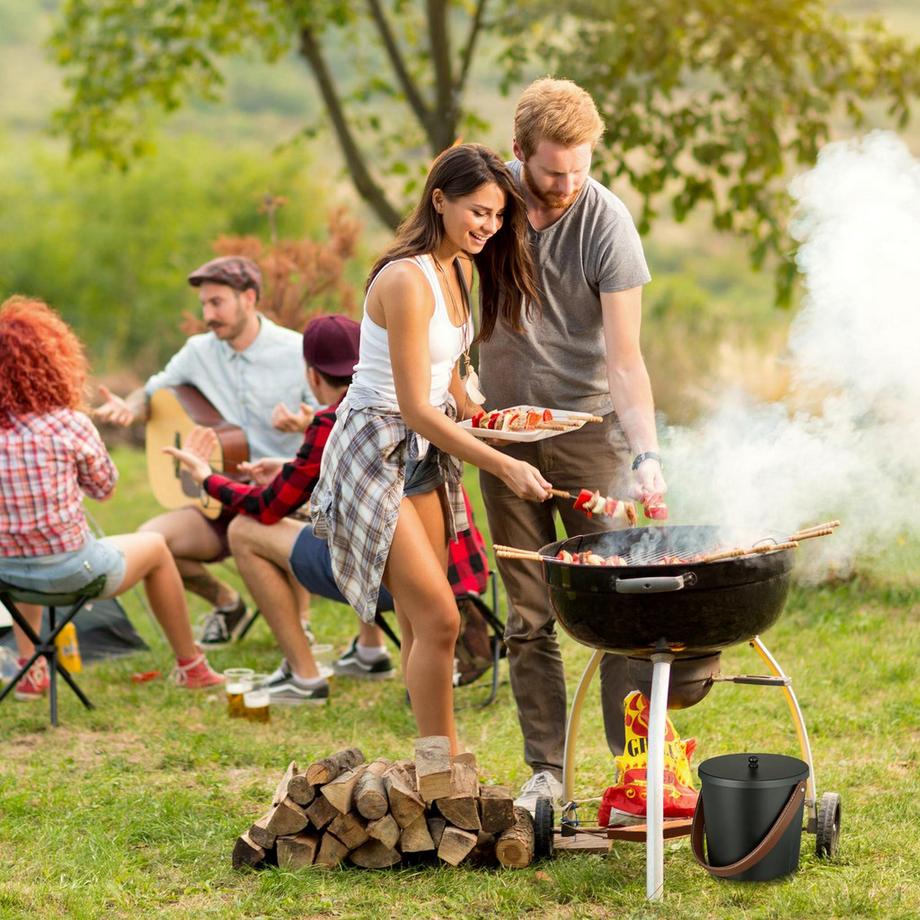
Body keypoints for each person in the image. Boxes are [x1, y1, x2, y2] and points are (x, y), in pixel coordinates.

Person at [309, 143, 550, 754]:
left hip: (423, 452)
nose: (489, 227)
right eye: (479, 212)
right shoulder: (405, 279)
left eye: (498, 216)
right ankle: (444, 766)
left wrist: (488, 419)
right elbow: (414, 404)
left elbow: (443, 376)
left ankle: (432, 760)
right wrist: (501, 462)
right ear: (439, 200)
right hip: (375, 450)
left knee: (426, 621)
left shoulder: (459, 269)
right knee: (442, 618)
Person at [478, 78, 668, 812]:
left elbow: (625, 358)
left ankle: (638, 770)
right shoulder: (486, 212)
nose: (566, 185)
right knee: (528, 617)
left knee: (618, 607)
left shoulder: (606, 221)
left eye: (579, 169)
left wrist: (646, 454)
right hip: (504, 439)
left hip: (593, 436)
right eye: (553, 171)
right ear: (518, 151)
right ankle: (547, 775)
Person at [0, 296, 223, 700]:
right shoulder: (69, 425)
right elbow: (105, 490)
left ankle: (31, 670)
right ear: (50, 362)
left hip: (6, 576)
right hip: (74, 573)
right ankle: (191, 666)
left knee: (21, 543)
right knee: (155, 547)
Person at [164, 314, 393, 704]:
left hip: (377, 580)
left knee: (244, 531)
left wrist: (207, 478)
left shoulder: (330, 421)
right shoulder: (394, 403)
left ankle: (304, 677)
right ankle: (370, 652)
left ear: (313, 376)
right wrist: (287, 469)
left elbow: (268, 508)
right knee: (362, 511)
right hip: (431, 571)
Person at [94, 256, 319, 646]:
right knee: (152, 542)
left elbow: (331, 417)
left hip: (281, 495)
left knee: (273, 534)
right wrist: (128, 408)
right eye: (204, 304)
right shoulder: (198, 351)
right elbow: (150, 392)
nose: (208, 314)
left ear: (249, 298)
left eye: (217, 303)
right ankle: (226, 602)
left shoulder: (295, 350)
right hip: (219, 493)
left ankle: (299, 626)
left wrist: (305, 422)